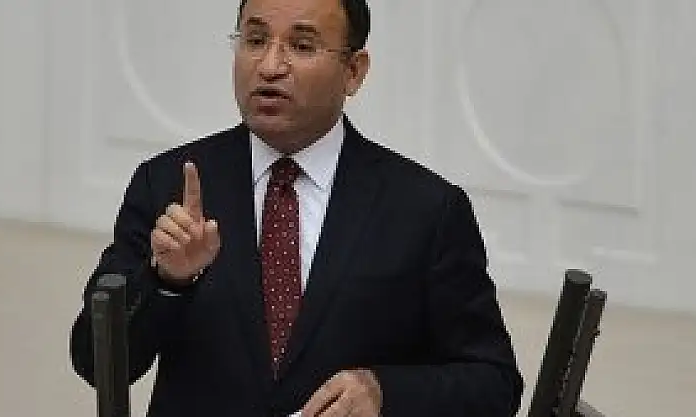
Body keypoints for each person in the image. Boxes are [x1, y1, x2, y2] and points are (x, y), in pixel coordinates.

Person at [69, 0, 523, 415]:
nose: (270, 66)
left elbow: (494, 383)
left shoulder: (425, 210)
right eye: (255, 40)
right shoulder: (168, 184)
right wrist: (165, 281)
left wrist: (384, 392)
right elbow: (93, 359)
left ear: (354, 71)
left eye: (302, 46)